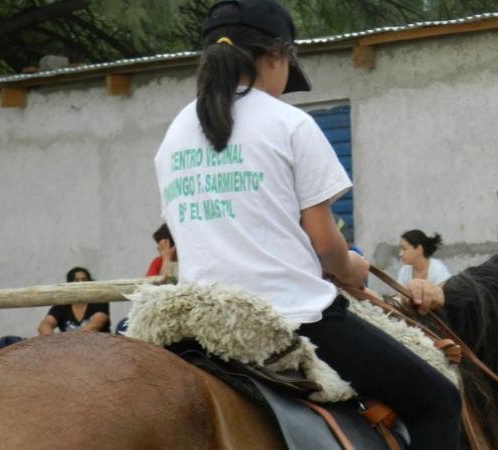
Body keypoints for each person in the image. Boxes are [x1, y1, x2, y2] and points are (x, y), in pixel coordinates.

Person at [153, 1, 461, 448]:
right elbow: (323, 245)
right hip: (293, 315)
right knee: (439, 402)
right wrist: (351, 267)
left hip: (202, 319)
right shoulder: (290, 122)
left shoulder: (175, 132)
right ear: (277, 56)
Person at [38, 267, 111, 335]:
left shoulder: (99, 301)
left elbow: (96, 324)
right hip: (68, 347)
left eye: (84, 280)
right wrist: (50, 340)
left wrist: (70, 342)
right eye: (76, 280)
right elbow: (45, 324)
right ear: (69, 284)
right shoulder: (61, 305)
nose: (81, 283)